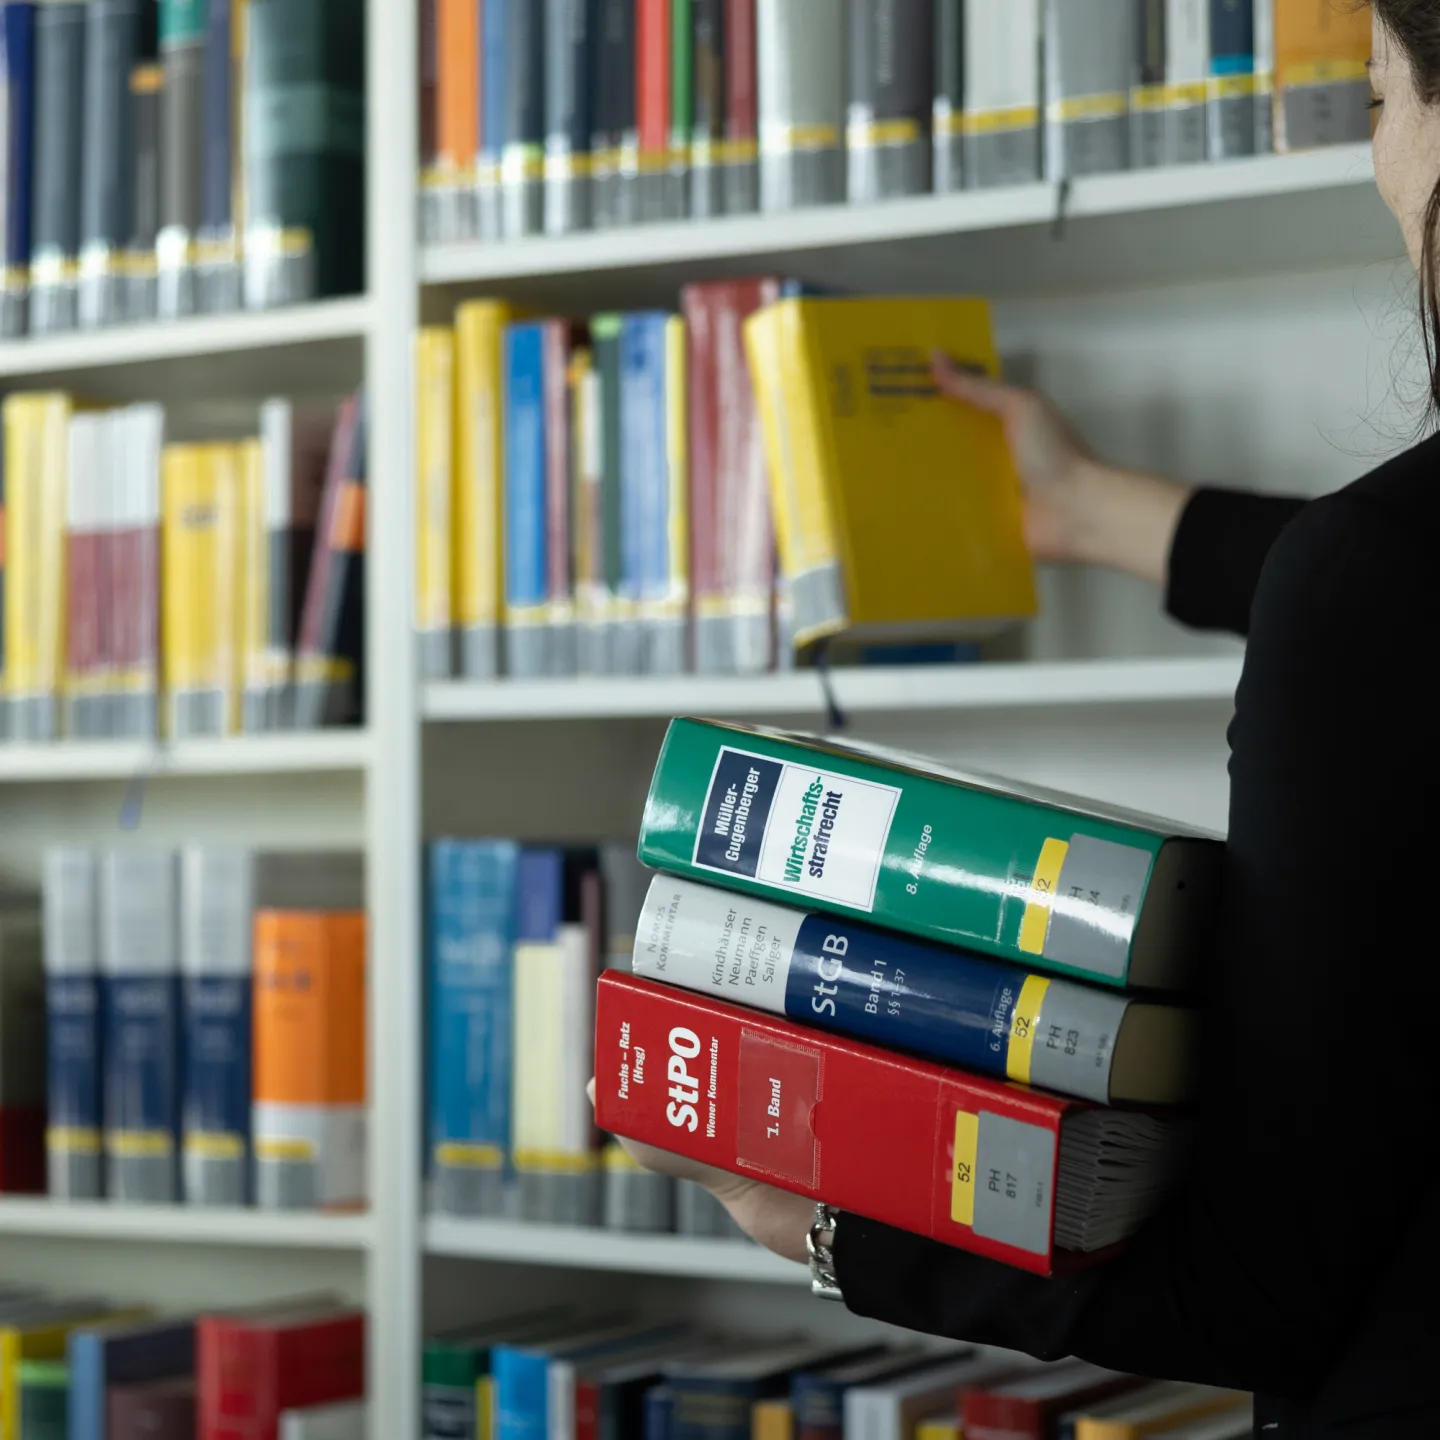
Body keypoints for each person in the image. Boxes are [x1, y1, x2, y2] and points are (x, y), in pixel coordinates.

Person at [593, 6, 1440, 1437]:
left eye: (1372, 102)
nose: (1376, 163)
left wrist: (826, 1223)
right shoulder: (1377, 584)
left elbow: (1256, 1290)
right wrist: (1093, 511)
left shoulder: (1376, 585)